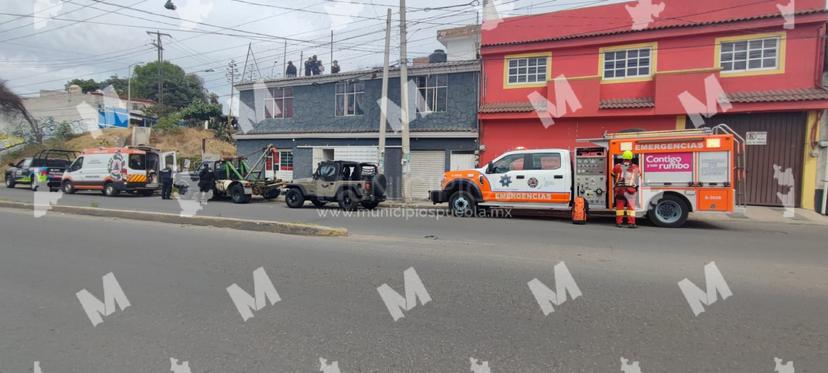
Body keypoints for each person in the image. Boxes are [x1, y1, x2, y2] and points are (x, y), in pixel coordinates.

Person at [611, 150, 640, 228]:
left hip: (619, 190)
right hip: (630, 190)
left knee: (619, 207)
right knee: (631, 207)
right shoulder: (635, 167)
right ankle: (631, 223)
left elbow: (612, 174)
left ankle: (619, 222)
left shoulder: (617, 166)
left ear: (623, 157)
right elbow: (638, 176)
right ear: (631, 158)